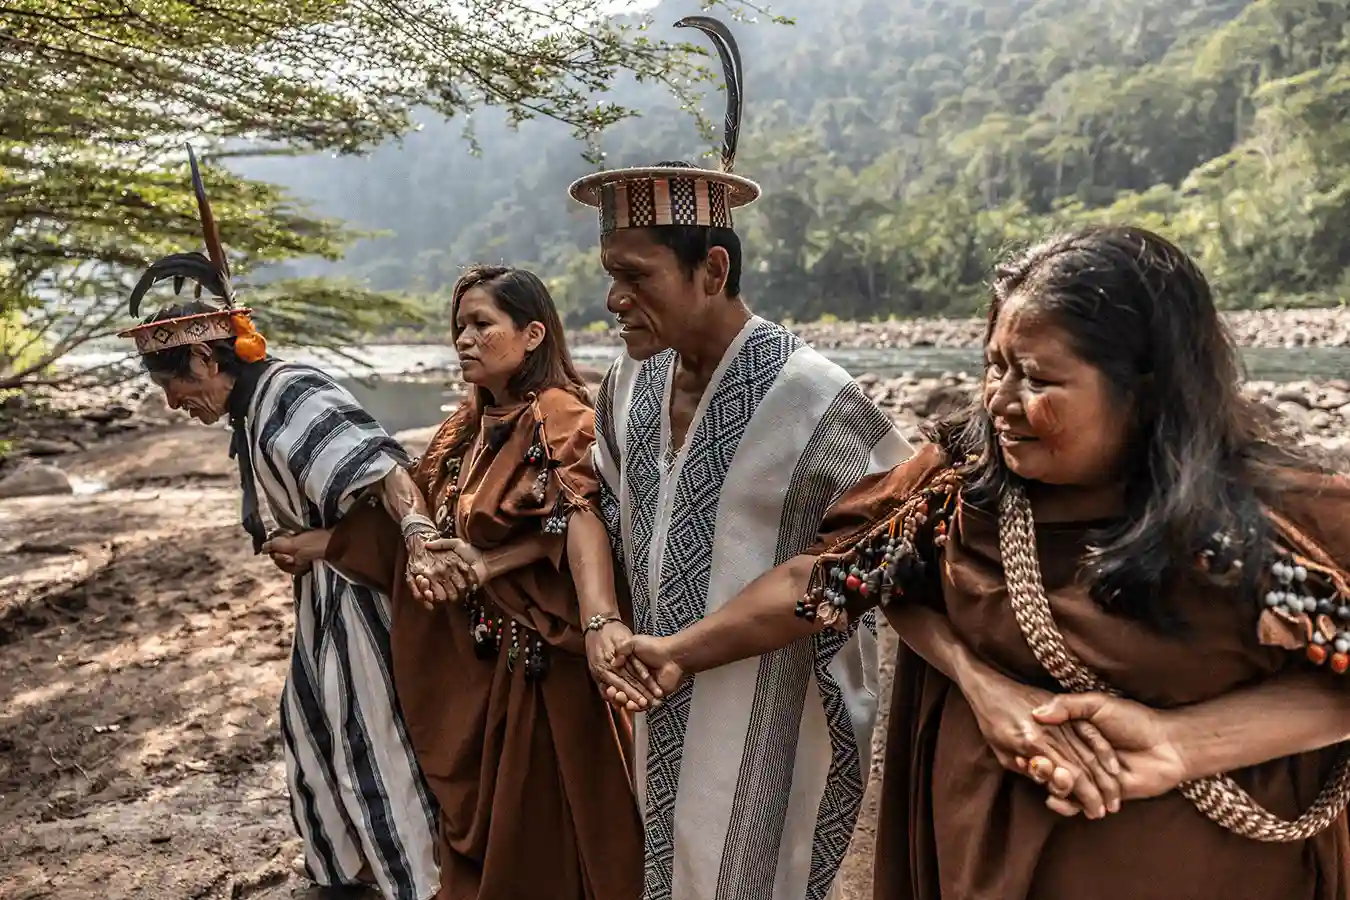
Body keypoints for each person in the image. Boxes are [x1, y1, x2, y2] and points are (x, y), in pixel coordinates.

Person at [614, 225, 1350, 900]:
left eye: (1038, 378)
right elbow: (833, 579)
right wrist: (681, 652)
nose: (1002, 399)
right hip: (982, 857)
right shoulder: (960, 486)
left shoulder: (1265, 527)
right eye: (994, 366)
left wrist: (1178, 745)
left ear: (1147, 386)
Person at [567, 16, 912, 900]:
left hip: (768, 716)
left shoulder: (816, 397)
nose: (613, 298)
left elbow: (877, 555)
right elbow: (592, 508)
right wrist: (605, 623)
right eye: (610, 271)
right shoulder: (625, 387)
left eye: (636, 274)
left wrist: (683, 646)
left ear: (712, 271)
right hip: (651, 698)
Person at [116, 148, 438, 898]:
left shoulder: (288, 391)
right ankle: (344, 873)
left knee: (372, 743)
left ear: (205, 357)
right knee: (312, 724)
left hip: (366, 602)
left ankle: (417, 883)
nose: (173, 405)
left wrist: (414, 535)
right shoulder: (251, 409)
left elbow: (383, 469)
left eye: (175, 386)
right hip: (328, 601)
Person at [274, 265, 646, 900]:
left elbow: (582, 525)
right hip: (477, 668)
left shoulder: (564, 420)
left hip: (542, 675)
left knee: (549, 837)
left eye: (481, 325)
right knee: (488, 828)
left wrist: (487, 563)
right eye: (458, 327)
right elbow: (413, 517)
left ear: (532, 335)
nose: (464, 339)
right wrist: (323, 543)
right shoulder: (462, 429)